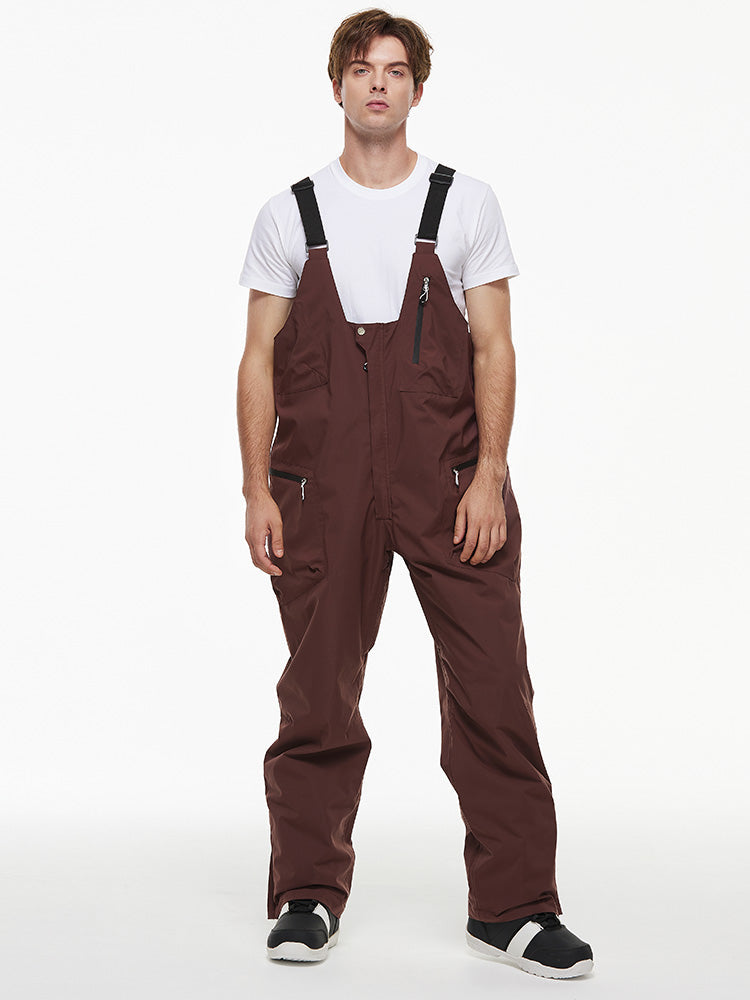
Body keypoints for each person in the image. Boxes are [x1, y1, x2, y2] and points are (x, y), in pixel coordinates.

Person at [236, 8, 594, 979]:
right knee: (318, 691)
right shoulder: (290, 214)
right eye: (362, 69)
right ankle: (308, 893)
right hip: (320, 487)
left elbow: (496, 347)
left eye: (396, 70)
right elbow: (258, 358)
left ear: (418, 90)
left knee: (493, 691)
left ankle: (514, 908)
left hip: (450, 483)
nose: (379, 85)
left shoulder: (466, 203)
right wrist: (256, 489)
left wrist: (492, 477)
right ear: (338, 86)